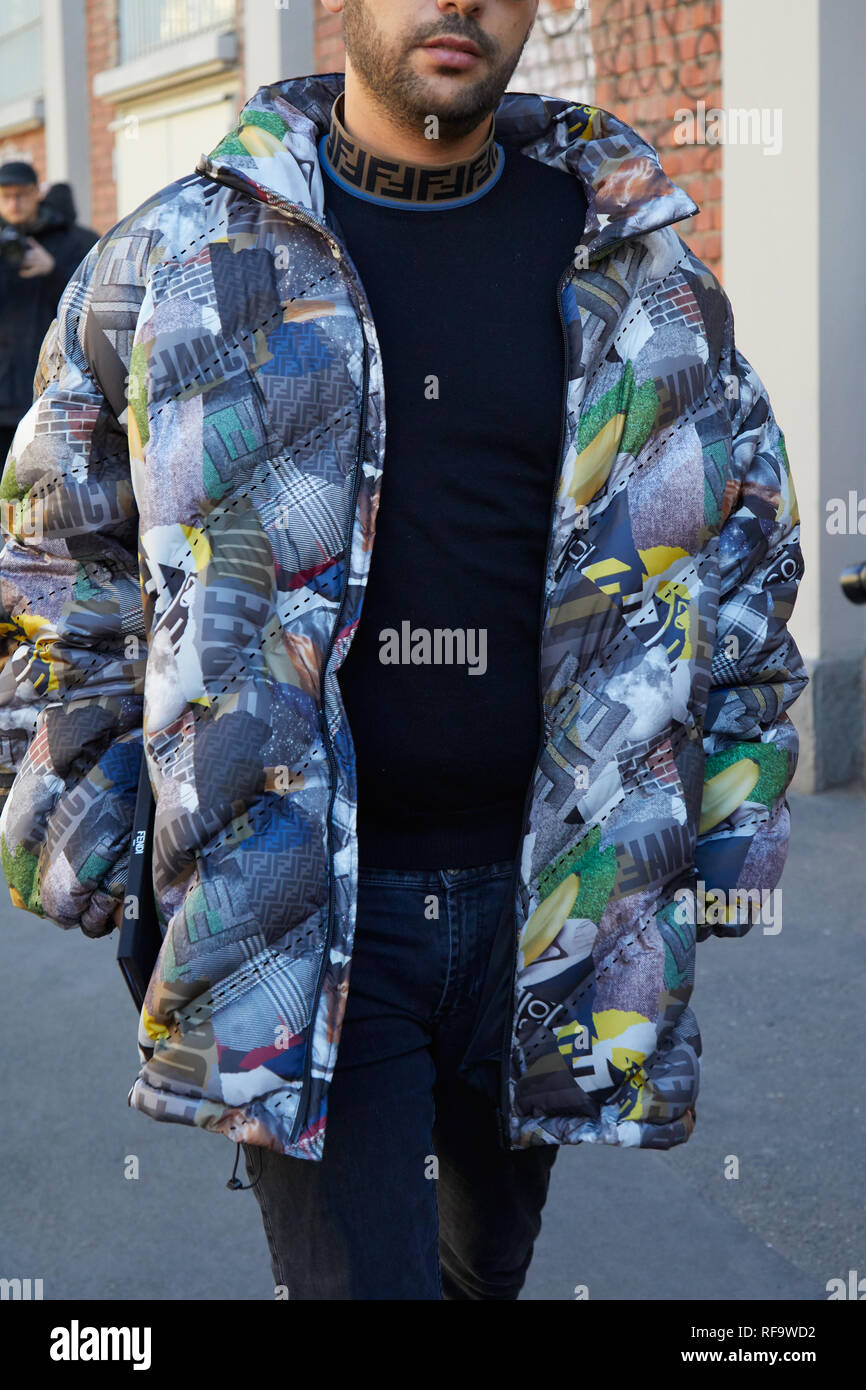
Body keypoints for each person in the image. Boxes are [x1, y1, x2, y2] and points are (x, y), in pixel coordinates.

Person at [0, 0, 809, 1301]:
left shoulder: (637, 272)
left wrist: (723, 838)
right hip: (293, 898)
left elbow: (745, 550)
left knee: (488, 1257)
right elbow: (56, 560)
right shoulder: (178, 258)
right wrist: (85, 827)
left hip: (556, 891)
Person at [0, 161, 98, 462]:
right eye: (5, 196)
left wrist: (53, 269)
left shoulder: (75, 240)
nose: (14, 203)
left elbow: (97, 303)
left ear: (37, 193)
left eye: (22, 194)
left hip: (58, 391)